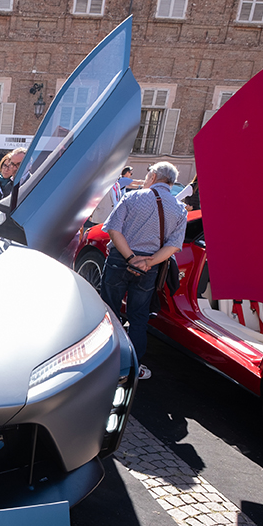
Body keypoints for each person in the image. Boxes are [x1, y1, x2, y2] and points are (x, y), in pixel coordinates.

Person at [100, 161, 188, 381]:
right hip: (150, 267)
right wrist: (148, 263)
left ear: (154, 176)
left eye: (149, 173)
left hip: (121, 259)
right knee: (139, 317)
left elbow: (113, 229)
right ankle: (133, 368)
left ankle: (101, 362)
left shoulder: (133, 197)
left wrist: (130, 257)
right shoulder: (179, 209)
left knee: (109, 311)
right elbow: (173, 246)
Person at [0, 147, 27, 243]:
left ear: (28, 164)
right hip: (4, 238)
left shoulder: (33, 183)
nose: (14, 168)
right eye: (12, 164)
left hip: (23, 240)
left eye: (19, 164)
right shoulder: (8, 185)